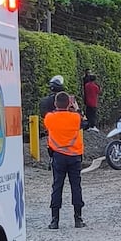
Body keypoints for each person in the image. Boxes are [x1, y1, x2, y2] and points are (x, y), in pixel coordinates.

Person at [43, 88, 85, 229]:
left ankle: (55, 221)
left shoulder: (49, 118)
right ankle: (78, 219)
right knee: (76, 187)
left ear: (55, 104)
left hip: (58, 157)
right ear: (69, 104)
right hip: (74, 157)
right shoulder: (75, 117)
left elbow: (47, 125)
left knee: (57, 187)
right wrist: (76, 108)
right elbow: (84, 121)